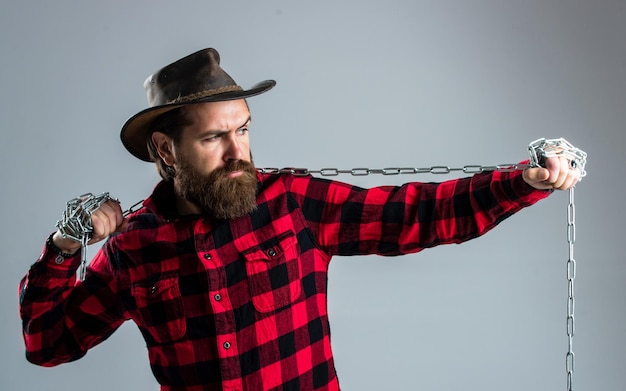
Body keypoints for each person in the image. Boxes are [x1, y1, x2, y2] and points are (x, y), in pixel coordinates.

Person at [18, 48, 581, 391]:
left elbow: (421, 215)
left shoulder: (294, 203)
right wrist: (68, 244)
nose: (239, 152)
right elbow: (47, 343)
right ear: (166, 151)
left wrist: (522, 181)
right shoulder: (133, 249)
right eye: (215, 136)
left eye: (242, 129)